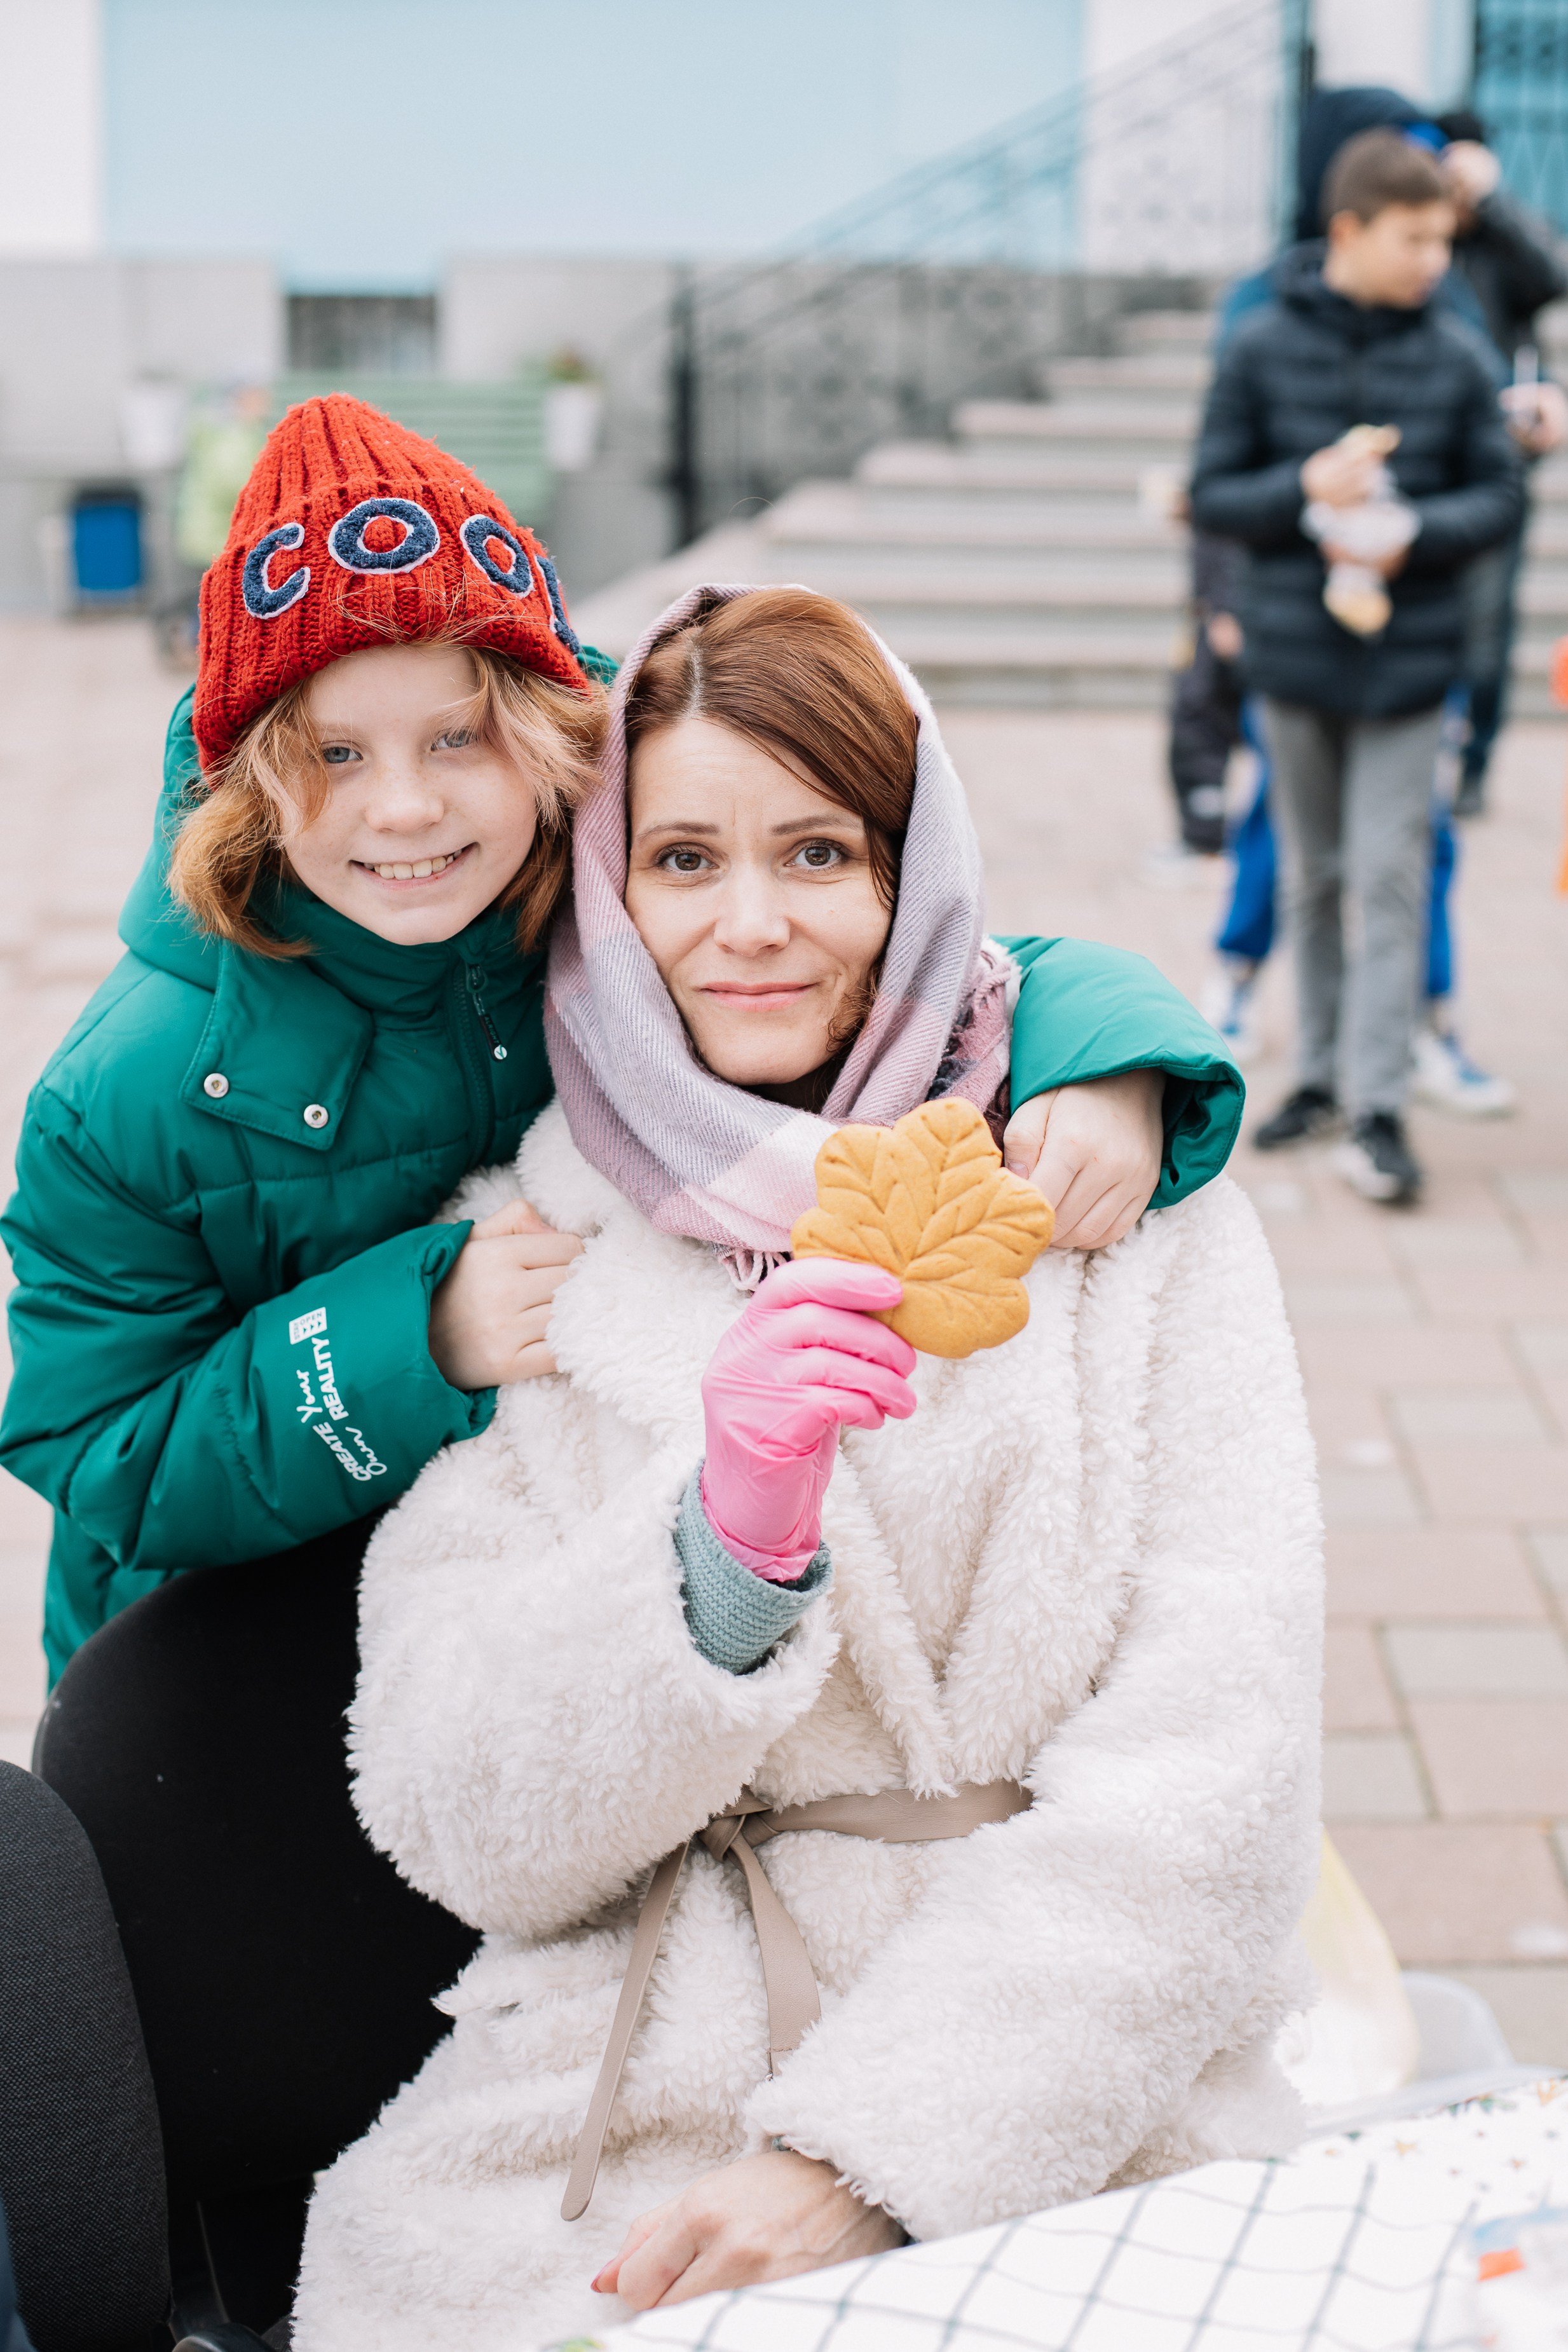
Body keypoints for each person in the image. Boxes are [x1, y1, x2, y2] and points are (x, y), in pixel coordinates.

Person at [289, 584, 1323, 2349]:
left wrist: (871, 2156)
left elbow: (1210, 1799)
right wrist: (715, 1556)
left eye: (820, 852)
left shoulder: (1120, 1208)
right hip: (636, 2085)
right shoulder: (532, 1249)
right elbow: (455, 1814)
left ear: (911, 873)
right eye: (681, 859)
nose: (750, 924)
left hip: (1069, 2078)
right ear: (609, 890)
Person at [0, 398, 1244, 1688]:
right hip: (231, 1664)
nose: (409, 804)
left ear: (541, 734)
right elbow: (100, 1447)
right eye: (335, 754)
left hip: (539, 1615)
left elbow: (932, 972)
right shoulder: (130, 1089)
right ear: (252, 776)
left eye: (455, 737)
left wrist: (1112, 1059)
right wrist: (411, 1340)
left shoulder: (585, 900)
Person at [1191, 129, 1523, 1205]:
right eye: (1414, 237)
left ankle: (1379, 1107)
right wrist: (1302, 492)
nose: (1434, 258)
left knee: (1388, 875)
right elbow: (1212, 492)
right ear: (1348, 231)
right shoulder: (1258, 343)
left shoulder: (1458, 352)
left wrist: (1412, 529)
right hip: (1292, 657)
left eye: (1443, 238)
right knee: (1309, 875)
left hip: (1413, 664)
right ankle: (1319, 1077)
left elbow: (1500, 499)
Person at [1436, 108, 1568, 817]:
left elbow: (1553, 277)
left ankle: (1474, 763)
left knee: (1487, 634)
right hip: (1429, 460)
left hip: (1499, 459)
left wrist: (1491, 204)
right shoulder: (1417, 242)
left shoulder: (1499, 242)